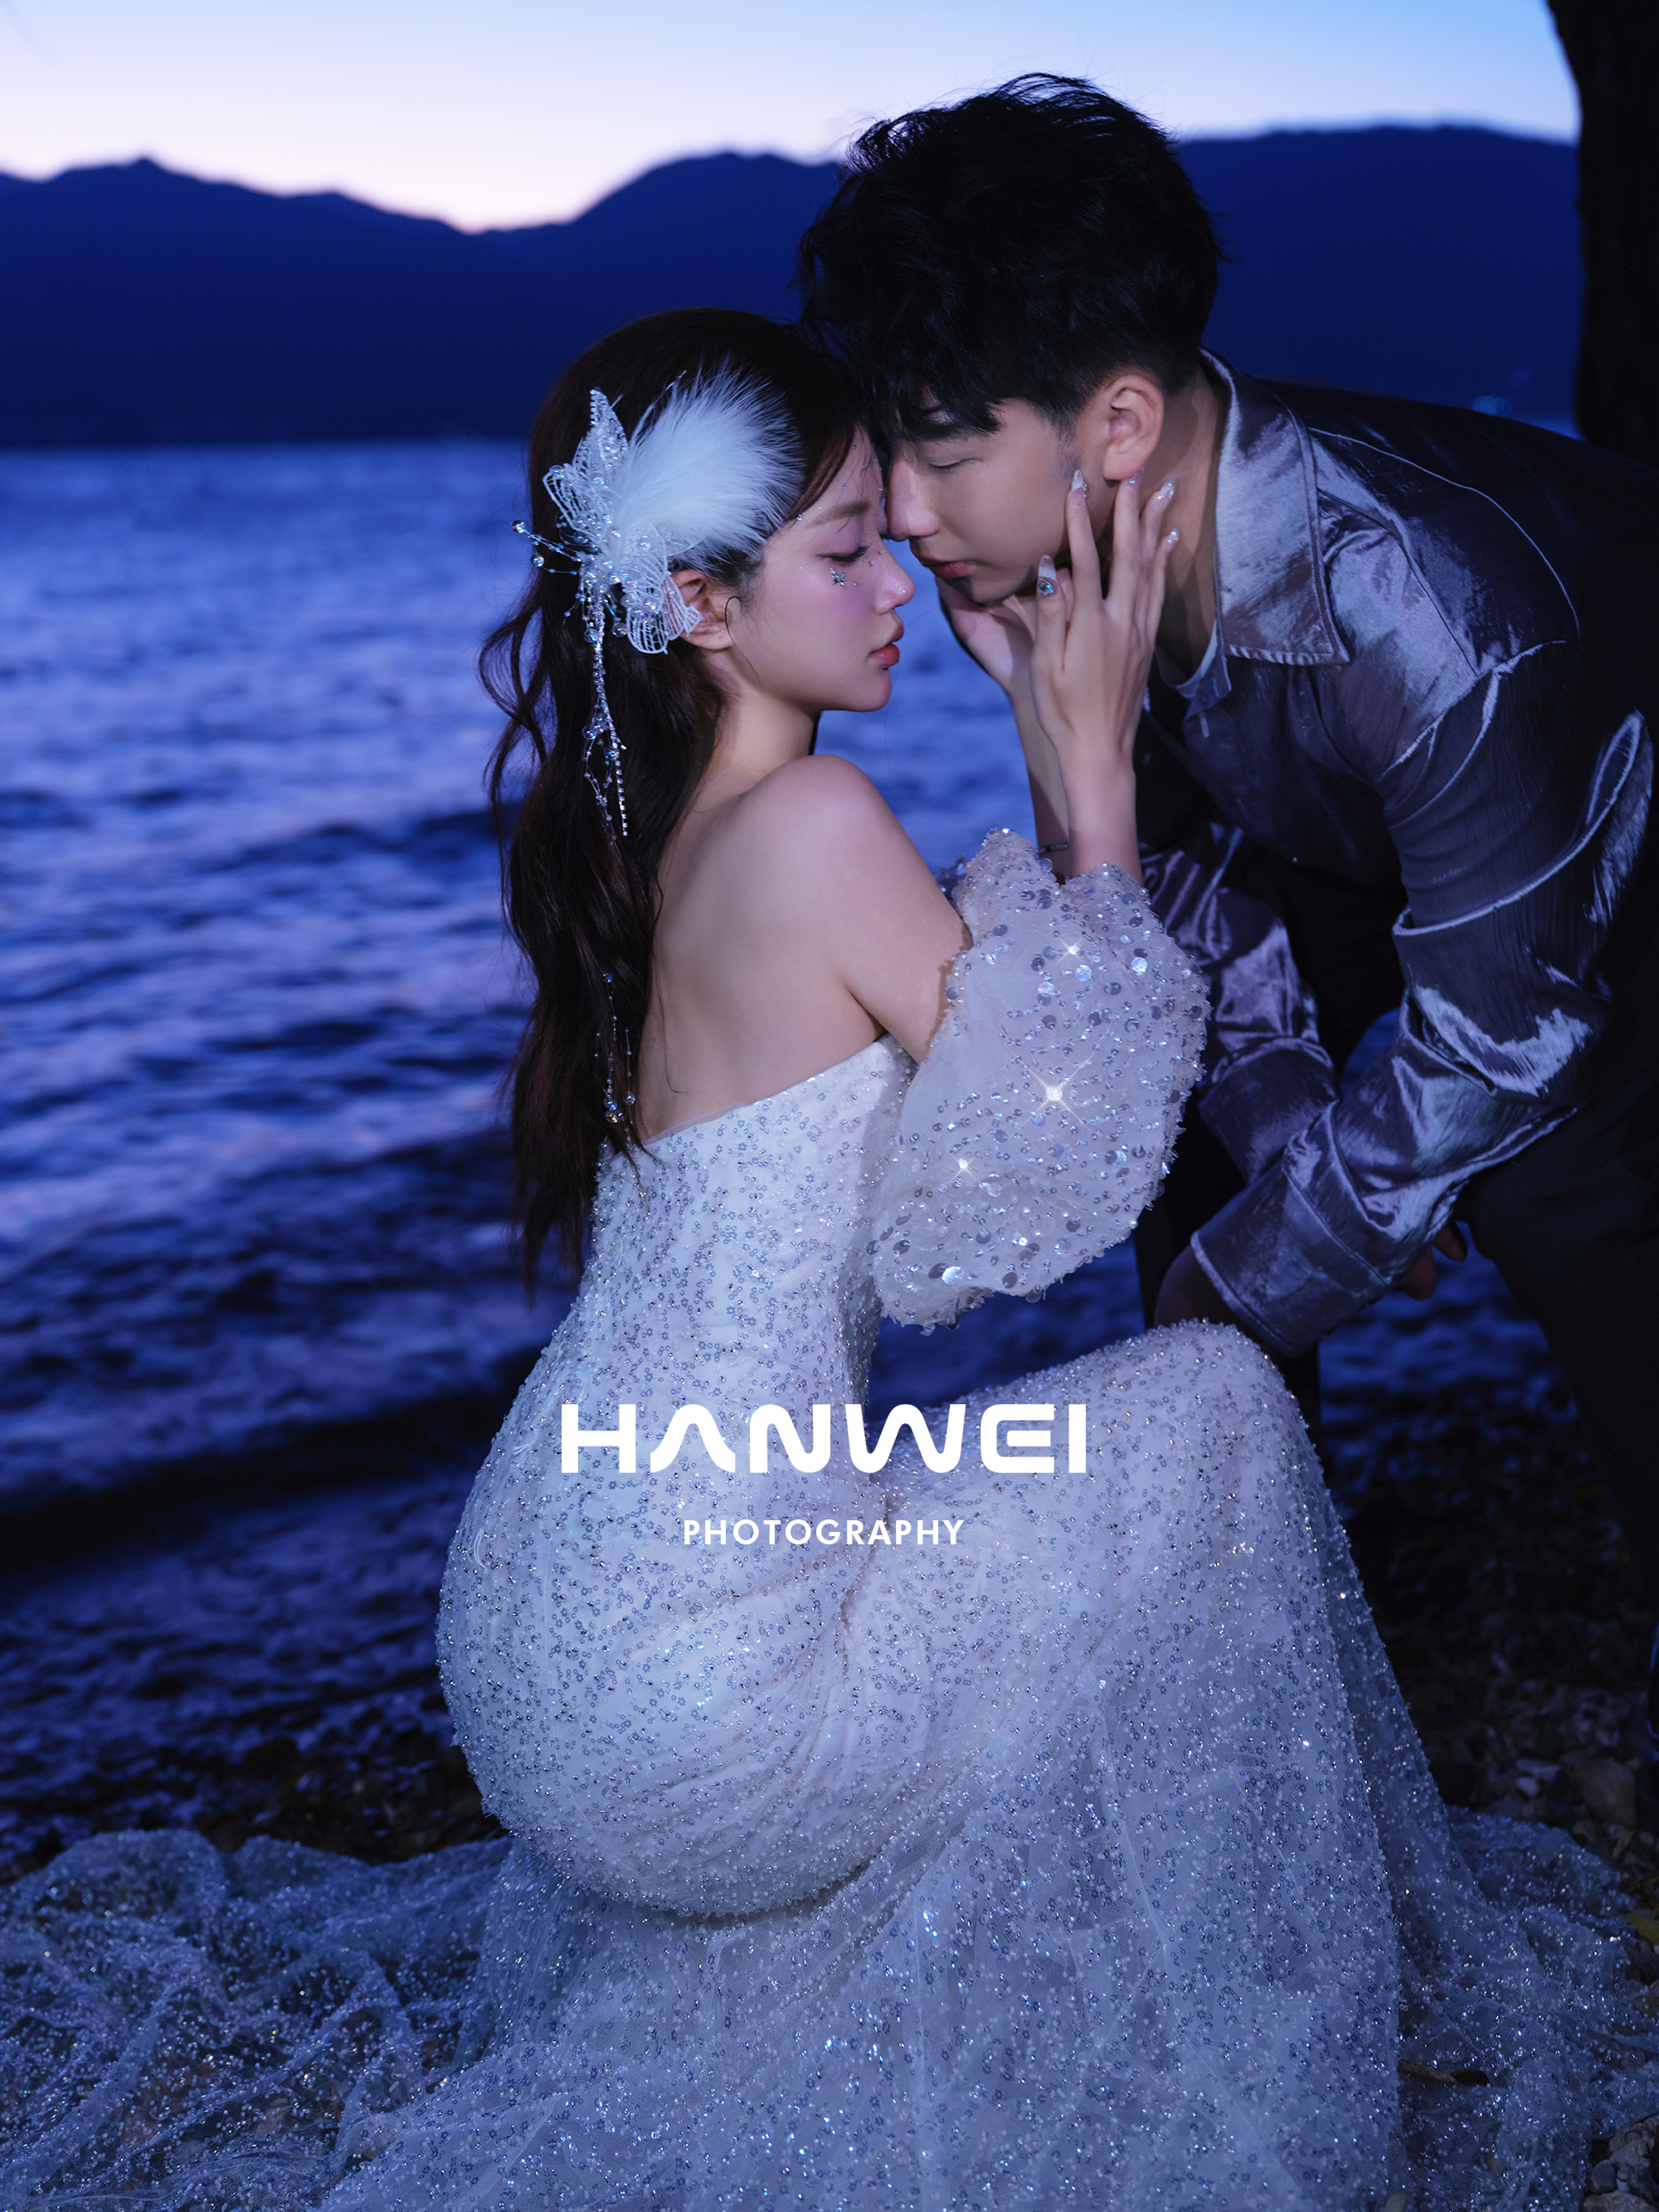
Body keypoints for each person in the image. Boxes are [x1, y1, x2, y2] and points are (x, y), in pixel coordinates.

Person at [5, 307, 1653, 2211]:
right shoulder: (806, 821)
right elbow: (1049, 1186)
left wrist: (1081, 814)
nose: (902, 588)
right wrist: (1091, 773)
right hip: (699, 1681)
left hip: (557, 1613)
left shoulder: (655, 839)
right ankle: (1247, 1979)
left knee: (1066, 1453)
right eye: (848, 548)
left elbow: (993, 1099)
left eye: (894, 531)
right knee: (1209, 1403)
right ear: (699, 602)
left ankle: (1124, 1933)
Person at [796, 75, 1659, 1568]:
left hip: (1611, 843)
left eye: (943, 455)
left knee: (1555, 1190)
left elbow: (1498, 1049)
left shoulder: (1435, 615)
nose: (908, 518)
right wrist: (1294, 1153)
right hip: (1378, 846)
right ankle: (1258, 1588)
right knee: (1185, 1094)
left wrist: (1242, 1286)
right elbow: (1180, 909)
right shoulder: (1089, 547)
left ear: (1121, 421)